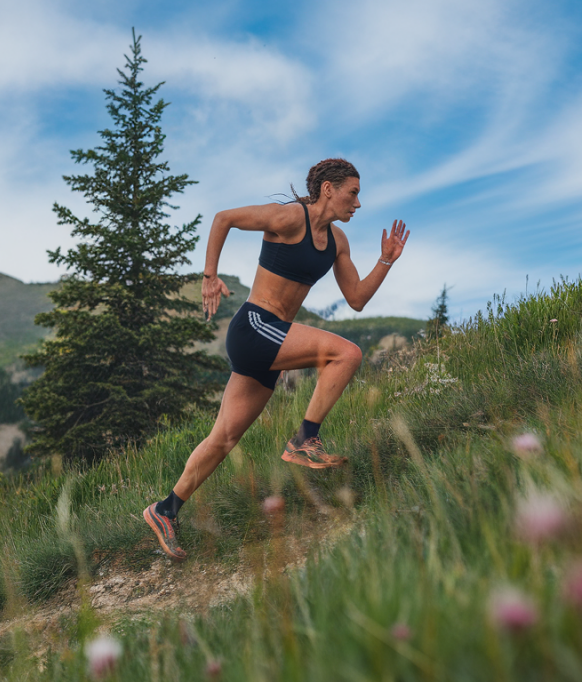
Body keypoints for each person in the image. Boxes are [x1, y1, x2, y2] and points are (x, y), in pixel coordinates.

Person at [143, 158, 409, 559]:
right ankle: (305, 439)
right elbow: (223, 219)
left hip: (269, 343)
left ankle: (165, 509)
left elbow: (355, 299)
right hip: (255, 327)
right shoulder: (288, 219)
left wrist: (386, 260)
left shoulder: (338, 242)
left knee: (224, 438)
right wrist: (209, 276)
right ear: (328, 190)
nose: (358, 203)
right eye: (353, 193)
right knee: (347, 353)